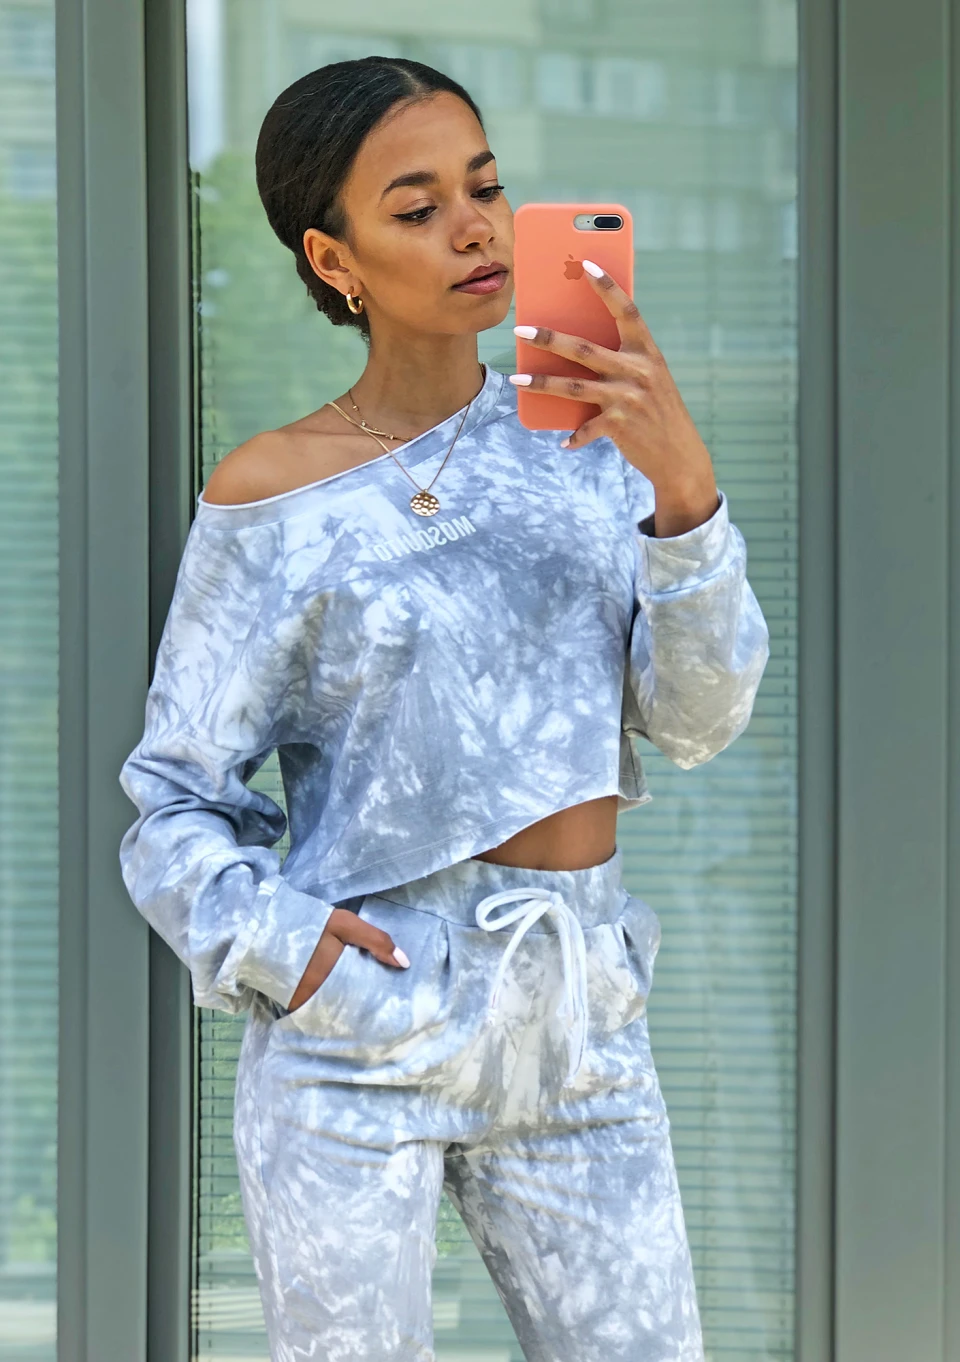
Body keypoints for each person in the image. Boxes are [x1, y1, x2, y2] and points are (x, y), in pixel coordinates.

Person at [118, 55, 769, 1362]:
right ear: (333, 258)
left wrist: (684, 492)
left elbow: (698, 722)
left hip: (579, 1015)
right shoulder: (272, 496)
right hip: (366, 1023)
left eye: (485, 188)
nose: (474, 229)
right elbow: (173, 802)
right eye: (416, 208)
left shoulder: (593, 445)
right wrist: (291, 951)